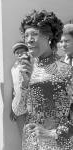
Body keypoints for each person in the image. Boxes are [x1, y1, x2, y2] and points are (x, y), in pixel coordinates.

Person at [19, 10, 73, 149]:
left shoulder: (65, 70)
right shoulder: (27, 68)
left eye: (34, 34)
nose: (29, 40)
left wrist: (52, 133)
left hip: (57, 145)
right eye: (26, 35)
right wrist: (24, 84)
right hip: (30, 144)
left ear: (48, 36)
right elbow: (18, 110)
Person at [10, 41, 29, 138]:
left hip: (31, 106)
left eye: (22, 51)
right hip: (18, 106)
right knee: (24, 136)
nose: (20, 54)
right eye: (17, 52)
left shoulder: (31, 65)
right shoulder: (14, 68)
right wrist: (11, 108)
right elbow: (14, 88)